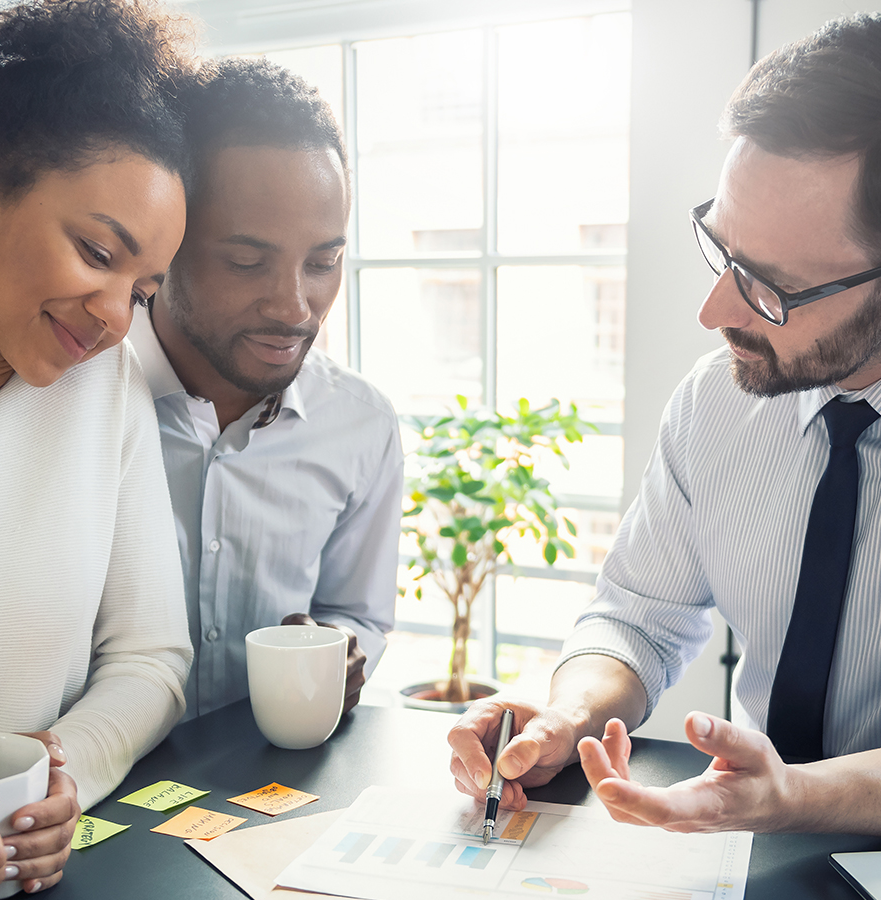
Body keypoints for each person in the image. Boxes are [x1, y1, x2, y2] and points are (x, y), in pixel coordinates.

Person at [450, 13, 881, 836]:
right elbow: (638, 618)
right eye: (721, 250)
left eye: (771, 288)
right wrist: (566, 713)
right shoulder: (718, 400)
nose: (714, 311)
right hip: (753, 873)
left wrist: (795, 797)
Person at [0, 0, 195, 900]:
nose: (116, 316)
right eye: (96, 252)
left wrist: (65, 775)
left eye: (143, 289)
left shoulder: (102, 391)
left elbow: (151, 658)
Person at [127, 58, 403, 720]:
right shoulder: (75, 399)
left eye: (323, 263)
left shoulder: (361, 425)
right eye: (248, 262)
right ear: (168, 239)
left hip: (270, 790)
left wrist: (339, 650)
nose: (294, 307)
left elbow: (356, 612)